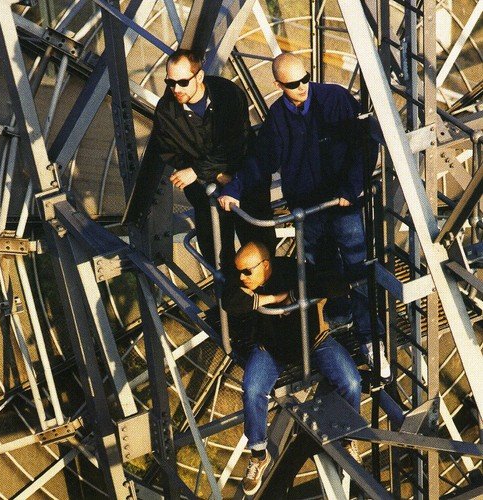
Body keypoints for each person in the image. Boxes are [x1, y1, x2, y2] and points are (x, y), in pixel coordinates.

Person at [219, 53, 391, 381]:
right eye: (293, 84)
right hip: (308, 212)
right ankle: (335, 320)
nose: (302, 87)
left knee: (357, 270)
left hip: (341, 205)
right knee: (318, 271)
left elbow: (363, 146)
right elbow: (261, 160)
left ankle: (370, 338)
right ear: (278, 85)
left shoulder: (335, 100)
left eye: (305, 79)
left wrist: (351, 188)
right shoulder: (279, 117)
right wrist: (235, 189)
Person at [222, 241, 362, 496]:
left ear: (265, 265)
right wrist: (275, 299)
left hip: (314, 343)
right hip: (272, 350)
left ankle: (348, 437)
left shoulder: (292, 270)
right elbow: (229, 301)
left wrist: (298, 294)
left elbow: (336, 285)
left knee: (351, 382)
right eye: (239, 272)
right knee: (252, 390)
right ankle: (258, 454)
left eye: (247, 272)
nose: (241, 278)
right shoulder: (246, 281)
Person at [152, 49, 275, 267]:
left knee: (260, 250)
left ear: (199, 76)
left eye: (182, 82)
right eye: (170, 82)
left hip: (244, 182)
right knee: (217, 256)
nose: (176, 89)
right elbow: (171, 153)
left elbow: (235, 145)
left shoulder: (228, 94)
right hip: (206, 194)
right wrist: (217, 174)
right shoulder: (166, 111)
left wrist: (197, 171)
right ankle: (229, 285)